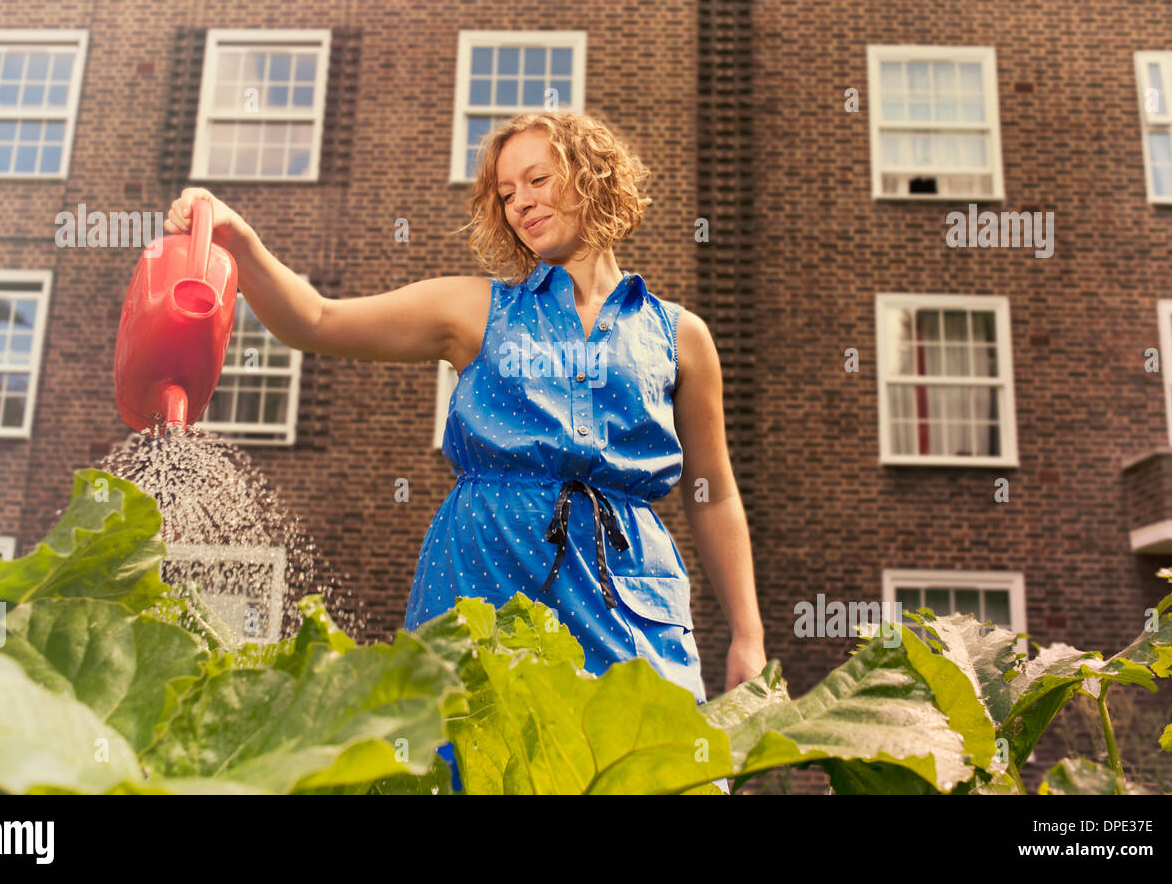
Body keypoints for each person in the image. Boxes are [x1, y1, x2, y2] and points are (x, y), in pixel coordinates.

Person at [164, 110, 766, 794]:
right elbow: (317, 319)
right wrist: (240, 245)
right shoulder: (475, 309)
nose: (522, 203)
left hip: (627, 587)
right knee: (466, 767)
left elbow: (712, 489)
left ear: (594, 177)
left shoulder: (681, 335)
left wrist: (746, 630)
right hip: (484, 565)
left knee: (662, 770)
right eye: (506, 194)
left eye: (538, 178)